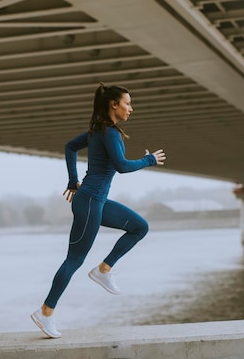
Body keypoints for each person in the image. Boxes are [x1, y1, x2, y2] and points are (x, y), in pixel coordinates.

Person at [30, 83, 166, 338]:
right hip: (91, 201)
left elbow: (70, 147)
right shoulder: (109, 133)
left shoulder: (98, 131)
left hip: (95, 200)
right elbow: (122, 166)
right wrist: (149, 160)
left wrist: (73, 181)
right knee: (74, 260)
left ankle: (104, 269)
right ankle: (45, 312)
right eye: (127, 103)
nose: (131, 109)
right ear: (114, 104)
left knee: (140, 227)